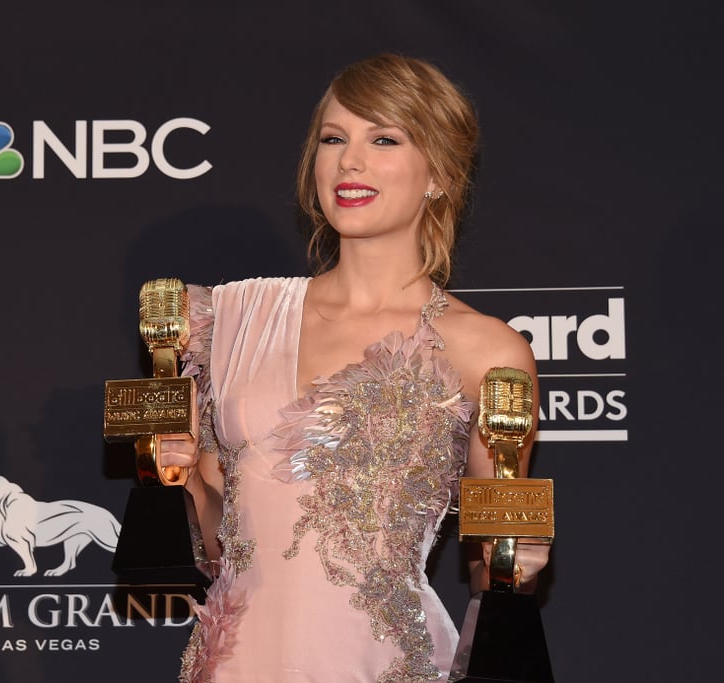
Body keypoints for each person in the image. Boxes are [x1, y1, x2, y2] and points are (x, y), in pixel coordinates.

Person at [159, 53, 549, 683]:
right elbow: (213, 542)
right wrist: (174, 480)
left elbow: (491, 568)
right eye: (333, 138)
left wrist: (513, 564)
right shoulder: (232, 319)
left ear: (440, 175)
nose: (349, 161)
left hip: (382, 665)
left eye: (384, 139)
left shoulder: (487, 351)